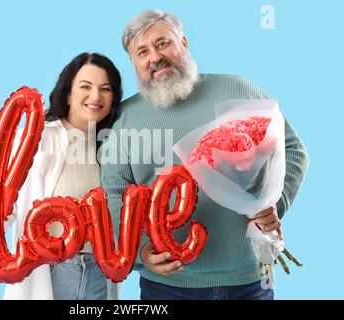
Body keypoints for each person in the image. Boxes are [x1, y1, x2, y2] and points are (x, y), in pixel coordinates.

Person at [100, 9, 309, 300]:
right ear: (134, 62)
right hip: (167, 288)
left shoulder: (237, 89)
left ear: (183, 43)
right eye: (142, 51)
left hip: (249, 281)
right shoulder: (124, 119)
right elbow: (114, 195)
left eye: (163, 43)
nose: (155, 57)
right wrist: (140, 250)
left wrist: (276, 201)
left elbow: (293, 149)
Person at [0, 52, 123, 300]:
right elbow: (2, 193)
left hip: (98, 270)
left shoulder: (111, 145)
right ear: (68, 93)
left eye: (105, 89)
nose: (96, 96)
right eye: (85, 86)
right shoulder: (37, 136)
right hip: (50, 269)